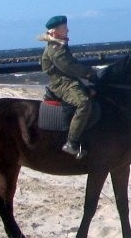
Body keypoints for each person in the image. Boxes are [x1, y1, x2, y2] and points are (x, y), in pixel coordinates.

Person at [39, 15, 98, 158]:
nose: (68, 30)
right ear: (55, 31)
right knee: (83, 103)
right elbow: (68, 66)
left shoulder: (60, 43)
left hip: (69, 80)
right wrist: (88, 73)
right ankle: (72, 143)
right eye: (64, 28)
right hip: (63, 83)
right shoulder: (55, 47)